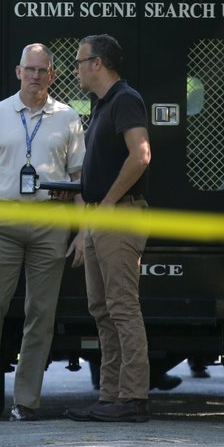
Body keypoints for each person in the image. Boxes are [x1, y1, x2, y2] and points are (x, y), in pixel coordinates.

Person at [0, 43, 85, 423]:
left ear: (52, 75)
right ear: (17, 72)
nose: (35, 76)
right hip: (3, 224)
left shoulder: (68, 118)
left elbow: (79, 179)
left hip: (50, 223)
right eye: (29, 69)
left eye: (42, 70)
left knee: (40, 313)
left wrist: (81, 233)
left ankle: (26, 402)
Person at [65, 34, 152, 423]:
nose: (76, 68)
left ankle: (133, 398)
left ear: (98, 63)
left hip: (120, 217)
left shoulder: (125, 100)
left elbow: (141, 155)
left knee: (122, 308)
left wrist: (110, 203)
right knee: (101, 310)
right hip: (100, 220)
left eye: (80, 61)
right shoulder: (101, 106)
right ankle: (110, 396)